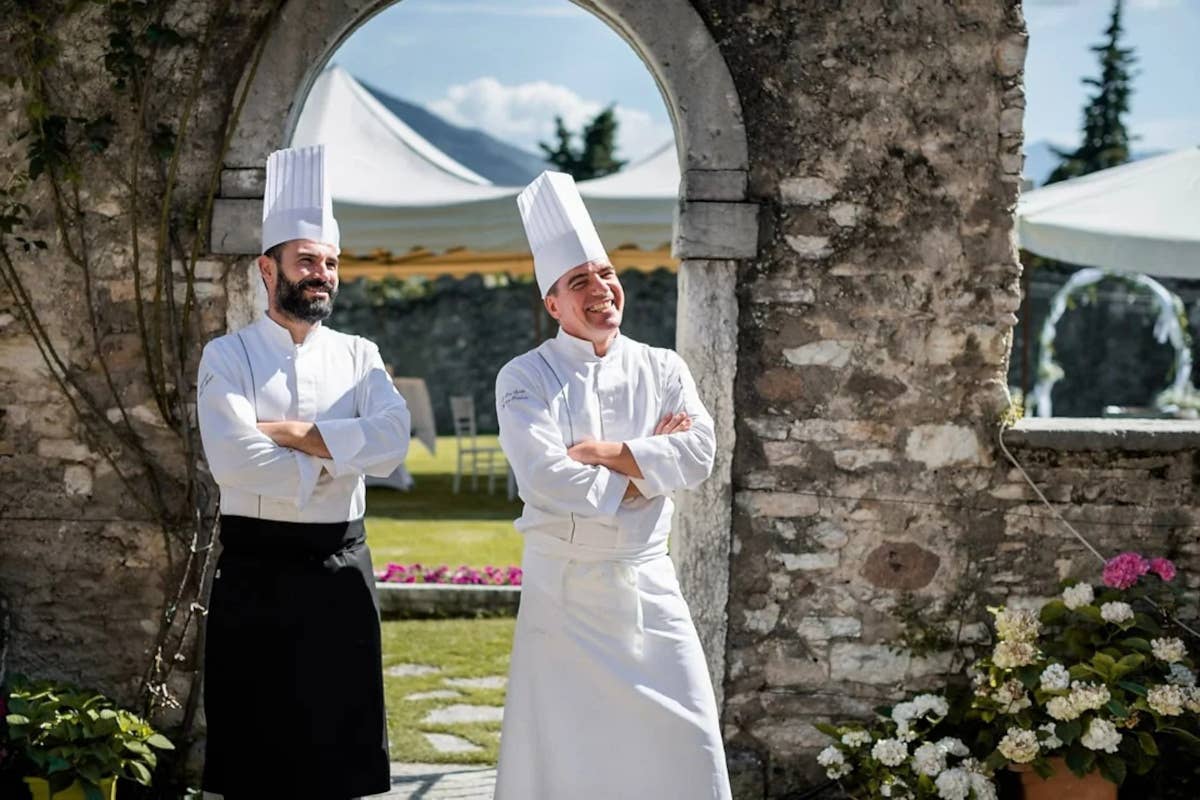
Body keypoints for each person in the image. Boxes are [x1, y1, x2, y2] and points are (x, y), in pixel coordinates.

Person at [493, 171, 732, 799]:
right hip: (562, 591)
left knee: (688, 733)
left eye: (605, 274)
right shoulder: (524, 377)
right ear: (552, 303)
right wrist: (652, 468)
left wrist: (604, 453)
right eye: (580, 282)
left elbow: (701, 452)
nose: (601, 290)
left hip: (648, 580)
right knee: (567, 748)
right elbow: (546, 477)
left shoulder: (663, 365)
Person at [196, 144, 409, 799]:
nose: (323, 274)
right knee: (255, 747)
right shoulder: (226, 356)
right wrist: (342, 460)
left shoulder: (361, 354)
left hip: (342, 568)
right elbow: (232, 457)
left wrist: (287, 437)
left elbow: (395, 443)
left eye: (331, 263)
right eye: (308, 261)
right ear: (269, 268)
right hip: (253, 570)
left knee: (340, 745)